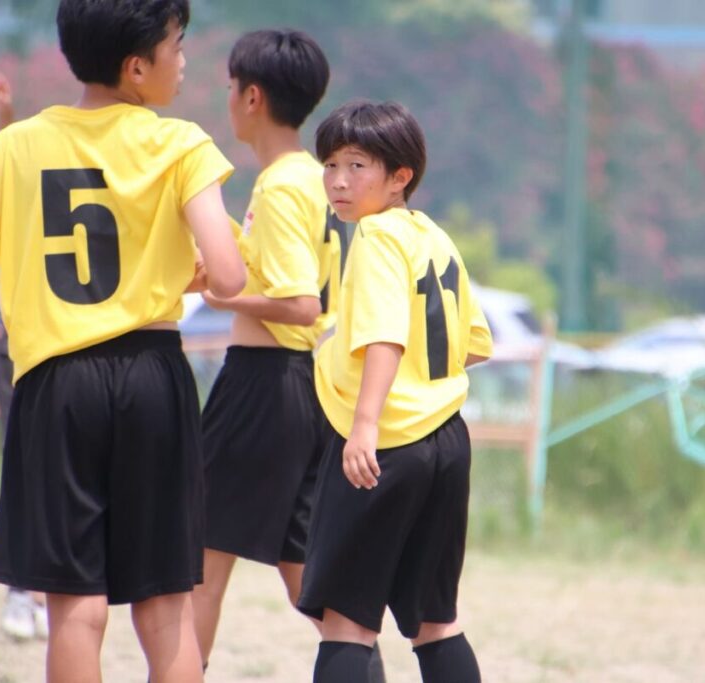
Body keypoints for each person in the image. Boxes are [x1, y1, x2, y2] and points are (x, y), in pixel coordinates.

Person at [0, 1, 245, 681]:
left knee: (76, 606)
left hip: (57, 383)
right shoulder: (180, 143)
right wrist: (184, 270)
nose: (184, 61)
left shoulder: (15, 145)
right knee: (166, 607)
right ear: (136, 67)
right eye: (176, 46)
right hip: (153, 377)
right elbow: (228, 275)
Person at [190, 29, 386, 680]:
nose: (227, 99)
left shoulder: (278, 186)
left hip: (261, 385)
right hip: (305, 388)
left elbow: (300, 303)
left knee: (201, 563)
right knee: (306, 571)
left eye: (230, 87)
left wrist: (223, 296)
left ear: (252, 97)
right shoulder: (316, 178)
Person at [296, 100, 492, 683]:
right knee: (435, 622)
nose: (338, 181)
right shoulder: (432, 235)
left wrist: (365, 425)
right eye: (331, 165)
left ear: (400, 175)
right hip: (446, 440)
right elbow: (475, 345)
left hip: (384, 445)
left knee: (347, 623)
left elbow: (385, 337)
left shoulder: (376, 236)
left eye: (357, 166)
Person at [0, 70, 49, 643]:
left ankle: (50, 592)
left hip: (64, 345)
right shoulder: (15, 190)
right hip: (19, 346)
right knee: (24, 467)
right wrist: (4, 114)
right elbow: (8, 161)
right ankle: (23, 592)